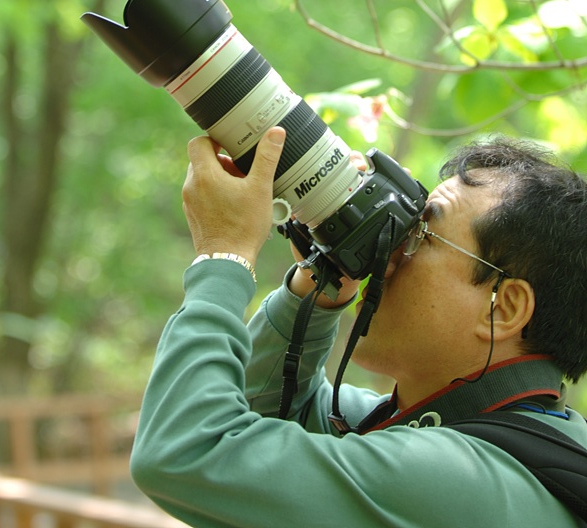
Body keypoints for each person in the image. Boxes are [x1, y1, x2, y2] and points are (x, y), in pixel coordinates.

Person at [131, 128, 587, 527]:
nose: (386, 260)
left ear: (503, 308)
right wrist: (323, 278)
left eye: (419, 235)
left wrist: (223, 255)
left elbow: (185, 452)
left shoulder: (456, 480)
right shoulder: (534, 436)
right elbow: (270, 407)